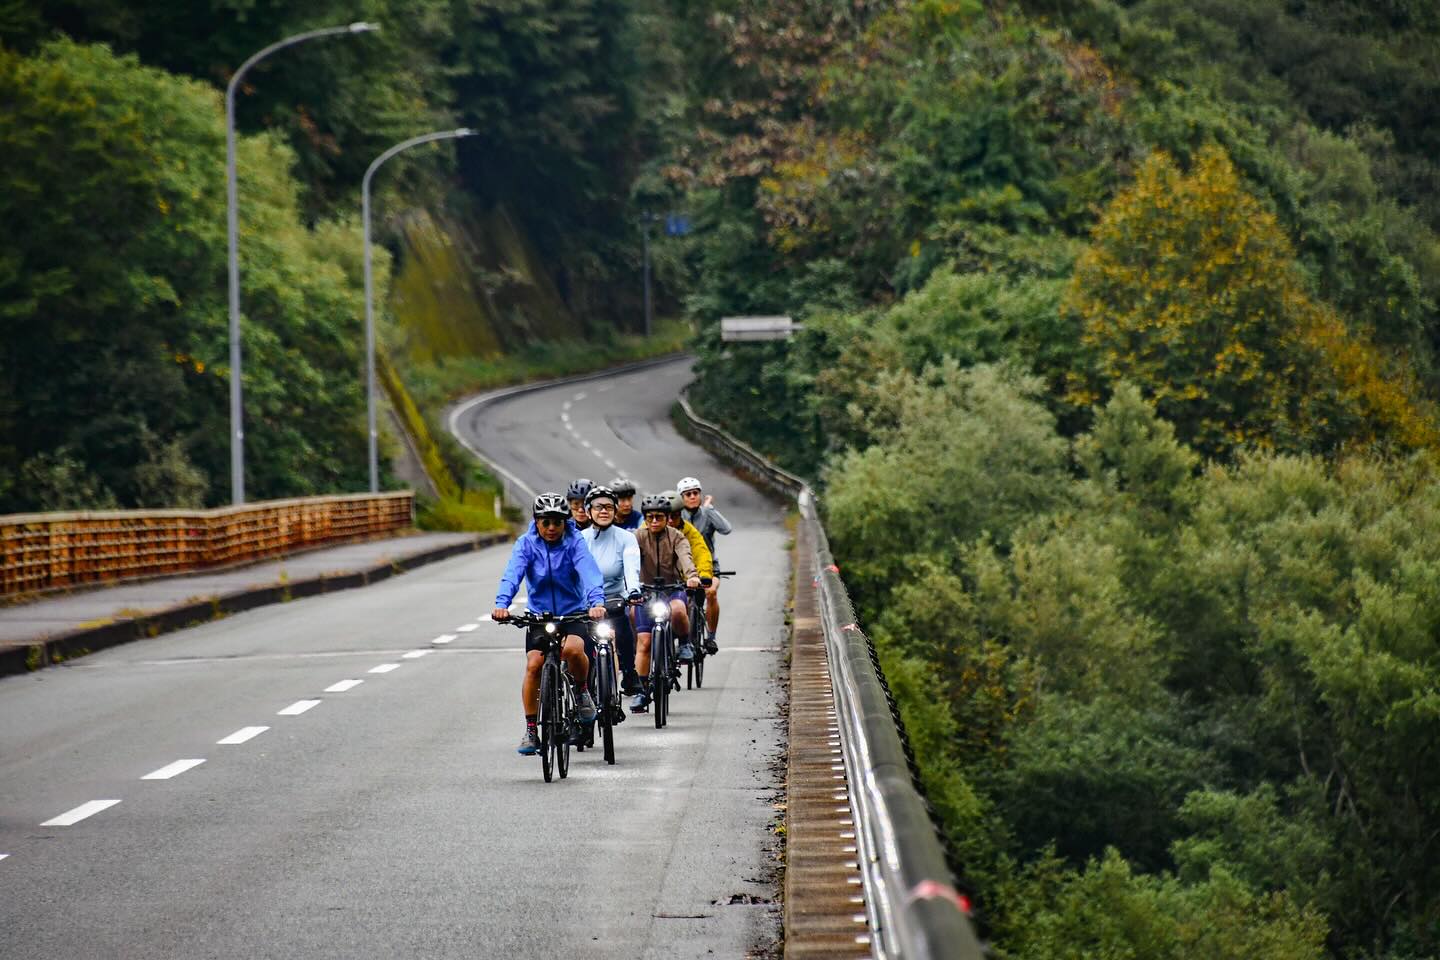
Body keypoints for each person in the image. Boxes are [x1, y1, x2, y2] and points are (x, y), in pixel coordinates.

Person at [493, 493, 606, 755]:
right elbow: (512, 574)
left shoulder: (575, 541)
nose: (552, 528)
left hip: (573, 613)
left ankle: (581, 692)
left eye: (557, 522)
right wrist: (502, 604)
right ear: (536, 521)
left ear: (566, 522)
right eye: (546, 523)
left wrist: (596, 601)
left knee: (574, 651)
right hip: (539, 616)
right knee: (534, 665)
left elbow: (589, 572)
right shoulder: (525, 544)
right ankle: (532, 729)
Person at [631, 493, 700, 712]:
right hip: (646, 591)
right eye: (650, 517)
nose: (654, 522)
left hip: (672, 589)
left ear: (666, 517)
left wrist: (692, 576)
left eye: (659, 517)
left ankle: (685, 643)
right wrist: (630, 584)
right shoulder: (637, 537)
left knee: (679, 610)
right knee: (644, 641)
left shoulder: (677, 536)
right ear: (645, 518)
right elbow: (629, 561)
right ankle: (642, 691)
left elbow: (685, 557)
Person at [579, 485, 643, 696]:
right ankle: (582, 688)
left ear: (615, 511)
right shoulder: (579, 539)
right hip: (585, 601)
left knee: (622, 625)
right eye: (598, 507)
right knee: (583, 645)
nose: (604, 511)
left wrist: (633, 591)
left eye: (608, 506)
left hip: (616, 597)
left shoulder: (626, 537)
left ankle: (629, 672)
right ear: (589, 511)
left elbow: (632, 568)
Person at [678, 476, 731, 655]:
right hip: (684, 569)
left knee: (711, 592)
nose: (692, 497)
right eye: (687, 494)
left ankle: (711, 636)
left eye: (695, 493)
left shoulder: (707, 513)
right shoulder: (677, 517)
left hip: (709, 568)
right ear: (681, 498)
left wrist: (710, 509)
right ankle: (681, 639)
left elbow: (726, 529)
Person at [664, 490, 713, 663]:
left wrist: (704, 575)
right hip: (657, 585)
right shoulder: (646, 530)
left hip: (683, 583)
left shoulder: (688, 532)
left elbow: (701, 553)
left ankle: (687, 642)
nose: (670, 521)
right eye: (667, 516)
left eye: (675, 516)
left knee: (686, 607)